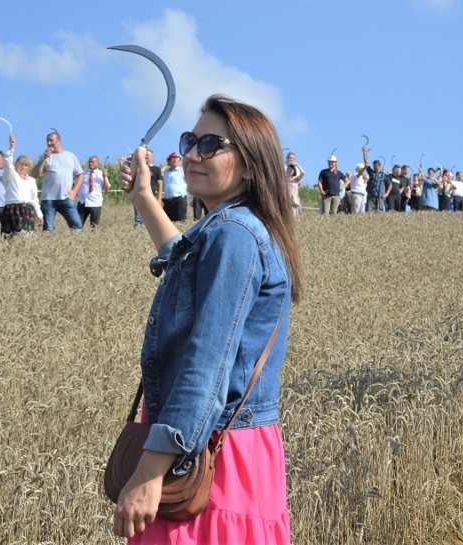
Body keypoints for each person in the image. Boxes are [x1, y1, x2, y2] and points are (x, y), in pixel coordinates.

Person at [112, 95, 301, 542]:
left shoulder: (234, 234)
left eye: (211, 144)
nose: (192, 154)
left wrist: (152, 470)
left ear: (252, 164)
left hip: (207, 450)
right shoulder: (232, 227)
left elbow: (207, 361)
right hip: (222, 442)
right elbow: (182, 259)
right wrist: (142, 197)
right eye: (189, 141)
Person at [31, 130, 84, 232]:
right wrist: (43, 159)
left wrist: (74, 191)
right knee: (48, 229)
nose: (48, 143)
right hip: (48, 199)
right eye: (47, 141)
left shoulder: (70, 156)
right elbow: (34, 174)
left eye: (51, 140)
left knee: (77, 227)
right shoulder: (45, 157)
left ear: (59, 140)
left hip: (66, 198)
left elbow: (80, 175)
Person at [1, 134, 42, 236]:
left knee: (29, 238)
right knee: (11, 239)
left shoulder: (32, 180)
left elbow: (34, 199)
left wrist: (39, 214)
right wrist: (11, 148)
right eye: (21, 164)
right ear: (16, 165)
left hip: (28, 210)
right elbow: (7, 164)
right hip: (12, 209)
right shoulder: (11, 176)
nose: (24, 167)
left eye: (26, 165)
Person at [77, 156, 111, 227]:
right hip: (83, 202)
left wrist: (104, 177)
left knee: (94, 226)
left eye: (93, 162)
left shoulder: (101, 174)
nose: (90, 163)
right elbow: (76, 185)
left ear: (97, 163)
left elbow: (107, 189)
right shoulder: (82, 173)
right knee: (77, 225)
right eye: (89, 162)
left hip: (95, 203)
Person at [134, 149, 164, 227]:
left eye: (148, 154)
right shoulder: (138, 168)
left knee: (152, 216)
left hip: (152, 196)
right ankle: (138, 228)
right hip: (139, 195)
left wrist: (159, 198)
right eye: (145, 154)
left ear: (152, 156)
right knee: (138, 218)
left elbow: (160, 184)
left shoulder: (156, 169)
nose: (146, 156)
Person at [362, 145, 390, 212]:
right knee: (369, 211)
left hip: (380, 196)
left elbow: (390, 184)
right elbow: (367, 163)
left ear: (379, 166)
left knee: (379, 212)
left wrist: (387, 193)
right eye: (374, 166)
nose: (375, 167)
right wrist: (364, 153)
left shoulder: (383, 175)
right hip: (371, 195)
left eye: (376, 166)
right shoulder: (371, 172)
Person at [162, 152, 188, 222]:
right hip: (168, 200)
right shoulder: (166, 172)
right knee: (167, 222)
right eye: (172, 159)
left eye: (177, 159)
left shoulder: (183, 171)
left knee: (180, 220)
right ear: (168, 161)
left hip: (179, 199)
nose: (175, 160)